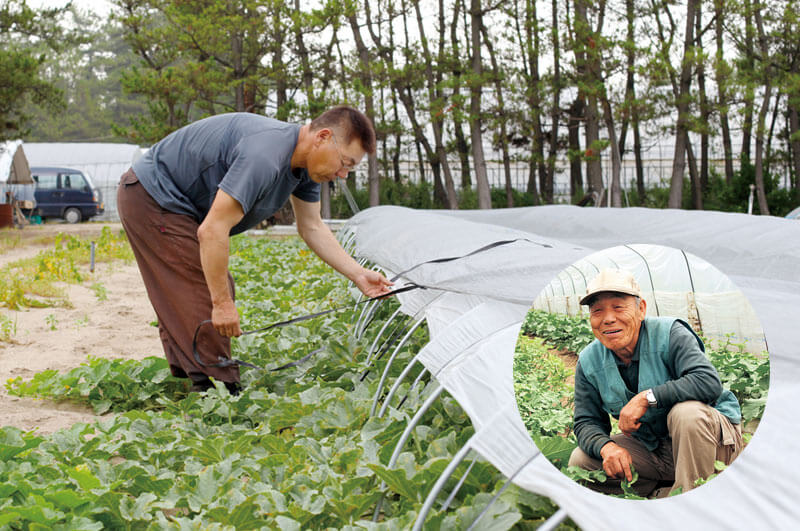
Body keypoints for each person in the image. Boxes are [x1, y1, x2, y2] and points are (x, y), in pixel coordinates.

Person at [117, 106, 392, 394]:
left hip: (174, 204)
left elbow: (312, 226)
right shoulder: (265, 156)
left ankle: (198, 379)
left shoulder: (305, 168)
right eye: (345, 162)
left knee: (193, 287)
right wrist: (222, 304)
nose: (343, 174)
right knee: (205, 287)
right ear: (322, 137)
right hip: (151, 196)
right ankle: (219, 389)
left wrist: (358, 274)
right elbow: (212, 230)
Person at [567, 268, 743, 497]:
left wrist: (647, 398)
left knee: (686, 413)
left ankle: (693, 499)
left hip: (711, 444)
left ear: (641, 309)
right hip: (654, 449)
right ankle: (665, 492)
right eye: (597, 311)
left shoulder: (670, 334)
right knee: (580, 461)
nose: (608, 318)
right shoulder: (589, 361)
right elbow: (586, 421)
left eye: (618, 307)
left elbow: (707, 381)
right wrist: (606, 447)